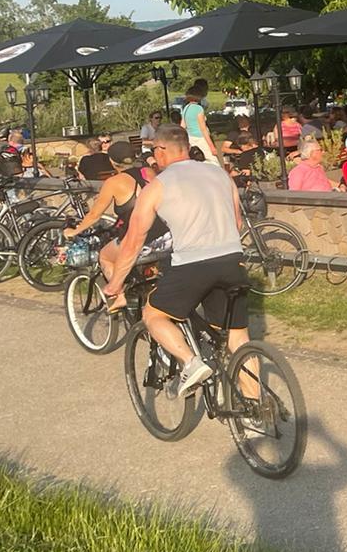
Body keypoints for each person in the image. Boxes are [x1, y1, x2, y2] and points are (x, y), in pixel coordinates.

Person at [107, 124, 249, 401]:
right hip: (232, 258)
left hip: (193, 264)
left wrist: (115, 283)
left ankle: (191, 363)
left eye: (153, 151)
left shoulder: (157, 186)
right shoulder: (219, 173)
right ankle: (257, 412)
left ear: (160, 150)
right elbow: (238, 221)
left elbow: (134, 241)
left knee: (154, 315)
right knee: (238, 337)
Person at [67, 140, 171, 312]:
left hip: (143, 240)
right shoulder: (149, 172)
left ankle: (120, 295)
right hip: (167, 237)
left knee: (105, 256)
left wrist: (74, 231)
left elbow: (94, 215)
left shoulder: (114, 182)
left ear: (112, 161)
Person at [181, 79, 220, 164]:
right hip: (201, 138)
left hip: (191, 138)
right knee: (213, 162)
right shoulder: (198, 109)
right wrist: (212, 147)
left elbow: (182, 126)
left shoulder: (186, 108)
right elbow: (203, 129)